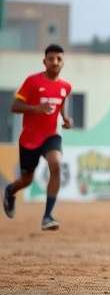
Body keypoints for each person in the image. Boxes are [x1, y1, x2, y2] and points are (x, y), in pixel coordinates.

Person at [3, 44, 73, 230]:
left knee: (56, 165)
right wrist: (36, 109)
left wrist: (65, 118)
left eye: (59, 59)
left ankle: (47, 216)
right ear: (44, 61)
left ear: (63, 62)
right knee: (26, 180)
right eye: (51, 59)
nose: (55, 62)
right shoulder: (32, 81)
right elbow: (14, 106)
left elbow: (61, 101)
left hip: (51, 135)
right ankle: (10, 190)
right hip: (30, 139)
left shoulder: (66, 86)